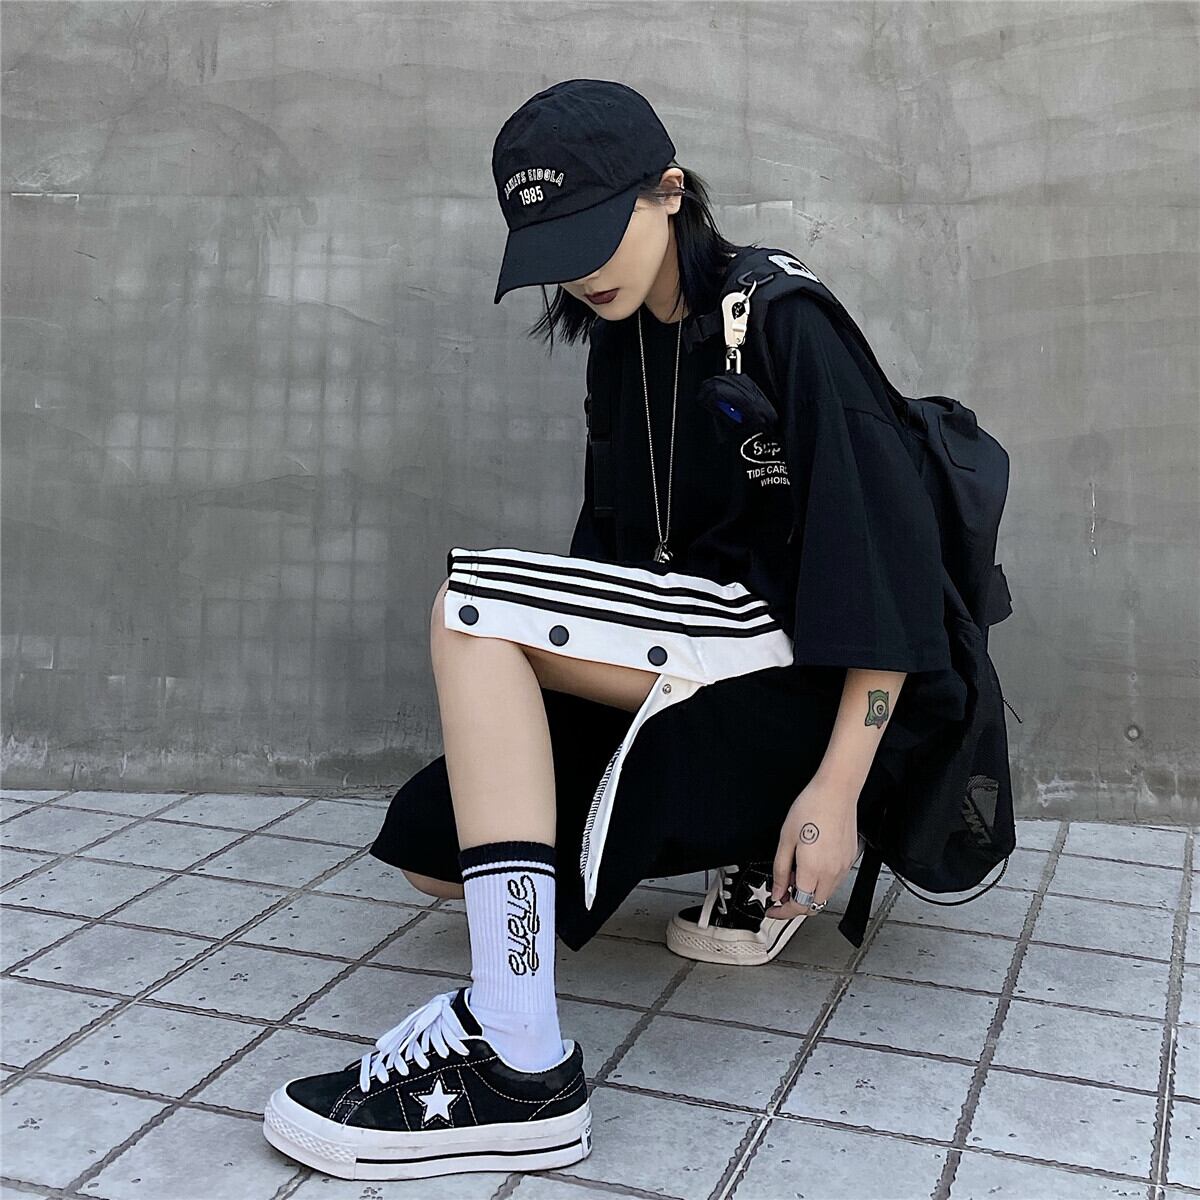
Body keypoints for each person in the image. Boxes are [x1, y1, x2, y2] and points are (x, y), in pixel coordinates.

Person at [263, 78, 955, 1183]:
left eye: (595, 235)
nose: (582, 274)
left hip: (796, 682)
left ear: (669, 192)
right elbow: (612, 564)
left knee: (468, 613)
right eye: (555, 252)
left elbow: (889, 575)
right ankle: (736, 847)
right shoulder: (618, 341)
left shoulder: (784, 322)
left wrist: (834, 791)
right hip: (692, 662)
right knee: (437, 856)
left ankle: (517, 1055)